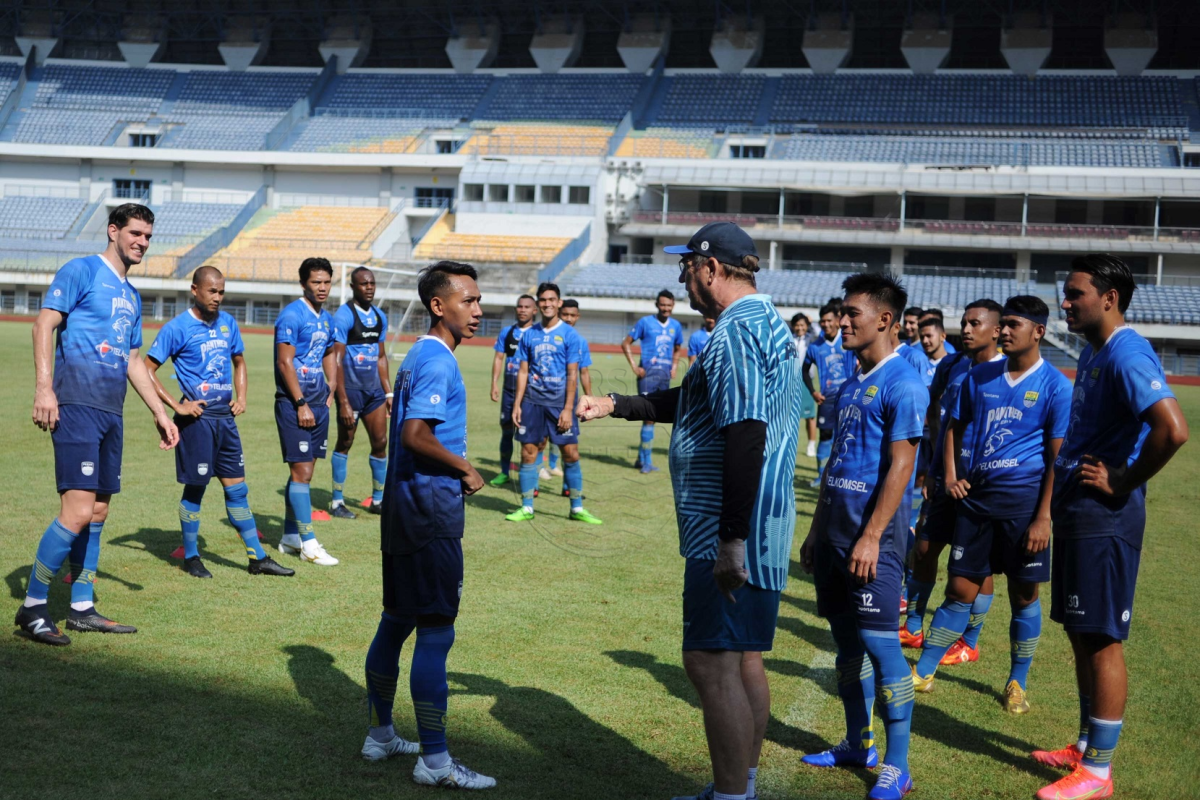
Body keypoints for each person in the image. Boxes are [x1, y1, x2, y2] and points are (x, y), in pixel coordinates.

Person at [577, 221, 802, 800]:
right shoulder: (766, 324)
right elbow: (701, 401)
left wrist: (730, 539)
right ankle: (740, 782)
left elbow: (747, 433)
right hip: (764, 520)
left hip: (734, 527)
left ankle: (731, 794)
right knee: (743, 656)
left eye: (686, 267)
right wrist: (617, 404)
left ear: (711, 268)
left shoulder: (734, 334)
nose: (681, 277)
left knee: (708, 660)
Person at [1031, 255, 1188, 800]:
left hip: (1106, 518)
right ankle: (1084, 747)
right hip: (1079, 511)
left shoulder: (1126, 351)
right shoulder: (1097, 351)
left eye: (1075, 294)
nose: (1065, 303)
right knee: (1081, 632)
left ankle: (1098, 772)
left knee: (1101, 639)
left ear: (1110, 298)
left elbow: (1173, 429)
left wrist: (1123, 479)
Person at [16, 203, 180, 646]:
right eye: (135, 233)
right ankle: (32, 606)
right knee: (77, 511)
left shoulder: (131, 295)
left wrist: (161, 412)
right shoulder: (82, 271)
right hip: (76, 404)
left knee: (100, 511)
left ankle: (82, 608)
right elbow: (43, 325)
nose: (142, 242)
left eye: (148, 235)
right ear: (113, 231)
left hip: (111, 411)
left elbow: (131, 360)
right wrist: (44, 389)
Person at [362, 260, 495, 789]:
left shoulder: (416, 353)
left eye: (478, 300)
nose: (478, 310)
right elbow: (416, 434)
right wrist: (463, 466)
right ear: (439, 306)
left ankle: (380, 735)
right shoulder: (438, 361)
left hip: (401, 508)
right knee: (437, 631)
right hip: (428, 513)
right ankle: (435, 761)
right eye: (468, 301)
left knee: (396, 620)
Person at [799, 272, 926, 800]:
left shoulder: (904, 382)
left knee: (881, 645)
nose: (843, 320)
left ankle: (897, 765)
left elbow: (901, 466)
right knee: (846, 645)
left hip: (876, 541)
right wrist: (814, 530)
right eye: (842, 313)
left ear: (885, 320)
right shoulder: (852, 382)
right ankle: (858, 742)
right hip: (833, 536)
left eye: (853, 313)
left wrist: (872, 536)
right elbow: (836, 462)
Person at [911, 296, 1071, 716]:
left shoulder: (1055, 385)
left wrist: (1043, 517)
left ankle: (1017, 682)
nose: (1004, 331)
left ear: (1038, 331)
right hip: (977, 503)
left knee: (1023, 595)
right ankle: (924, 671)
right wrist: (949, 475)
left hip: (1023, 508)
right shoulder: (978, 376)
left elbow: (1057, 457)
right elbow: (952, 426)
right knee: (958, 590)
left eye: (1013, 324)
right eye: (1005, 325)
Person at [145, 266, 294, 579]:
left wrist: (241, 396)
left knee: (238, 490)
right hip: (196, 422)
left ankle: (257, 558)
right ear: (195, 290)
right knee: (195, 489)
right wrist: (177, 405)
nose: (217, 297)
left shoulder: (228, 323)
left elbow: (239, 361)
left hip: (225, 420)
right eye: (211, 291)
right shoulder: (177, 327)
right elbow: (145, 369)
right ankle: (192, 556)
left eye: (221, 292)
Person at [902, 300, 1004, 652]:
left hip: (982, 483)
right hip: (945, 475)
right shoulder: (951, 364)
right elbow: (936, 413)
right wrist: (933, 471)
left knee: (979, 564)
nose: (967, 329)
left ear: (997, 329)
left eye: (975, 323)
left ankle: (969, 640)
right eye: (964, 323)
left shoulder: (1007, 370)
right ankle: (913, 624)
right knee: (925, 547)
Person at [505, 283, 601, 524]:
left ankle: (576, 508)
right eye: (543, 300)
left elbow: (572, 374)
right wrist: (517, 404)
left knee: (570, 453)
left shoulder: (570, 336)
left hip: (559, 405)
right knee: (528, 453)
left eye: (552, 300)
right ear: (539, 304)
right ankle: (527, 507)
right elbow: (523, 371)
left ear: (559, 302)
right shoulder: (529, 335)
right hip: (532, 403)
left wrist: (568, 408)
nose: (548, 304)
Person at [273, 258, 340, 567]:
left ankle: (289, 536)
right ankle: (309, 544)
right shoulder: (291, 315)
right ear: (303, 284)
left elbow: (329, 352)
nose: (322, 287)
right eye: (316, 282)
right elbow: (284, 362)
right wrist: (300, 403)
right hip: (294, 405)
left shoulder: (327, 318)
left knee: (306, 473)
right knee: (302, 473)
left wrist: (332, 386)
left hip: (317, 403)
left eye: (327, 282)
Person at [330, 267, 392, 519]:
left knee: (381, 443)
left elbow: (381, 357)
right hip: (351, 392)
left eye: (372, 283)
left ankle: (378, 500)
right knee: (345, 442)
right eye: (364, 284)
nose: (369, 287)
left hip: (374, 393)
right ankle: (336, 502)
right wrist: (342, 400)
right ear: (353, 287)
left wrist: (389, 393)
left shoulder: (379, 316)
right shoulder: (344, 316)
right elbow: (336, 360)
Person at [621, 289, 685, 473]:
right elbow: (626, 343)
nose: (665, 308)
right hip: (647, 375)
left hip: (664, 375)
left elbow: (678, 348)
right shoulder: (645, 322)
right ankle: (646, 462)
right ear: (657, 305)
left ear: (673, 306)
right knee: (649, 417)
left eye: (669, 305)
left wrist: (674, 367)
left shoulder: (676, 326)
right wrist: (634, 366)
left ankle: (641, 460)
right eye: (663, 304)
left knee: (654, 417)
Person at [802, 303, 858, 488]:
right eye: (823, 321)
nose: (826, 324)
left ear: (837, 320)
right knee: (825, 436)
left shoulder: (848, 340)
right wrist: (813, 392)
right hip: (827, 399)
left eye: (829, 320)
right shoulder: (815, 346)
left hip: (848, 397)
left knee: (847, 436)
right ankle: (821, 476)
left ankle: (843, 475)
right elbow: (804, 370)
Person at [489, 295, 536, 487]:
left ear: (535, 311)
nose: (522, 310)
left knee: (531, 435)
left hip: (531, 392)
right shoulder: (507, 332)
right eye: (519, 306)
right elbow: (499, 358)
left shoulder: (538, 334)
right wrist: (494, 383)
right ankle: (504, 472)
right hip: (509, 389)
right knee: (507, 431)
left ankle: (533, 474)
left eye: (527, 307)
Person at [557, 298, 593, 498]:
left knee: (568, 444)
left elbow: (584, 371)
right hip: (545, 398)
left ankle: (568, 486)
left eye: (572, 315)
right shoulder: (551, 335)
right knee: (541, 443)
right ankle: (536, 480)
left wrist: (589, 397)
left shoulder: (580, 341)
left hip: (569, 400)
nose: (569, 319)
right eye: (565, 315)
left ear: (577, 317)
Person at [791, 313, 819, 457]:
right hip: (792, 380)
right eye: (797, 325)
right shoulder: (790, 339)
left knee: (810, 416)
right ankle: (792, 444)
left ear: (806, 326)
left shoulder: (811, 339)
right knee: (792, 416)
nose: (799, 328)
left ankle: (811, 445)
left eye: (802, 325)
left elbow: (818, 332)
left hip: (807, 380)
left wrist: (811, 322)